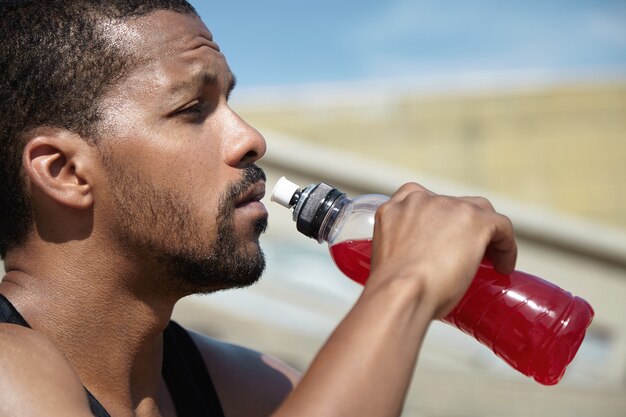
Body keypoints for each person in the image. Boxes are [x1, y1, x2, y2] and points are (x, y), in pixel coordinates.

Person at [0, 1, 517, 416]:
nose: (250, 139)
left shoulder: (245, 386)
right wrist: (406, 285)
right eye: (192, 110)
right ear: (64, 172)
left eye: (229, 101)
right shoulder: (8, 374)